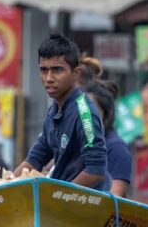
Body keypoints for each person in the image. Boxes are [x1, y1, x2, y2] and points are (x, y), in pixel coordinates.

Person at [13, 34, 108, 191]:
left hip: (82, 208)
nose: (49, 78)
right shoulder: (54, 110)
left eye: (57, 70)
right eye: (44, 70)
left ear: (75, 73)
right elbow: (34, 159)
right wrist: (5, 186)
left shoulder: (84, 114)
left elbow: (96, 171)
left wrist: (61, 197)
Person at [84, 80, 132, 196]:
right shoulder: (75, 143)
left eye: (91, 111)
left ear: (107, 114)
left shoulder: (116, 149)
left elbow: (113, 201)